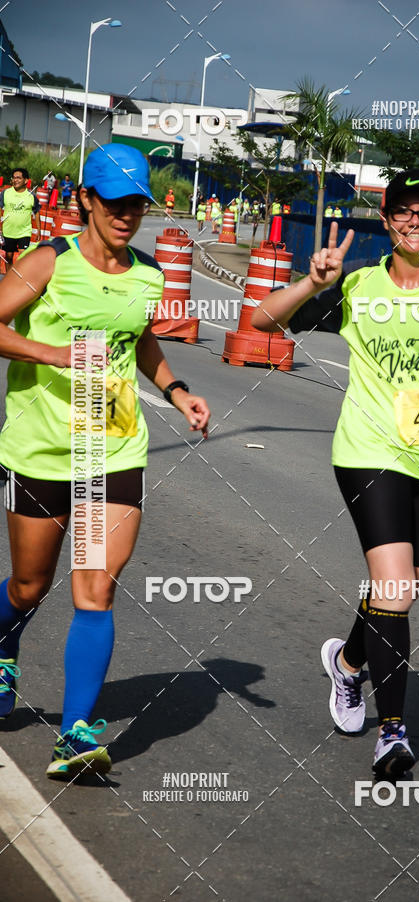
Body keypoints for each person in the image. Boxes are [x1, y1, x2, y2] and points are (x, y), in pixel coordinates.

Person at [251, 168, 419, 779]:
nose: (415, 221)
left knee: (398, 591)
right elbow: (261, 324)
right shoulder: (357, 284)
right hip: (369, 451)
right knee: (396, 592)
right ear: (386, 221)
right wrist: (309, 281)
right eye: (403, 211)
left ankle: (348, 662)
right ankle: (393, 733)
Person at [0, 143, 210, 779]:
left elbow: (139, 339)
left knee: (95, 586)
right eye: (115, 203)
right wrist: (54, 355)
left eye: (136, 205)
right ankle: (5, 635)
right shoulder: (48, 262)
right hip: (40, 447)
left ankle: (74, 734)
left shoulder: (148, 275)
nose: (126, 216)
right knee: (30, 585)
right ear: (87, 200)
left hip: (113, 445)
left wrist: (176, 391)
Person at [0, 168, 41, 268]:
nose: (15, 180)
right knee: (8, 257)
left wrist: (39, 231)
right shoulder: (5, 193)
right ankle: (9, 279)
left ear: (26, 180)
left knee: (23, 257)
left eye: (18, 178)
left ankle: (20, 280)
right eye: (13, 178)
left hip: (24, 232)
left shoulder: (31, 196)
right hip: (8, 231)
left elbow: (36, 213)